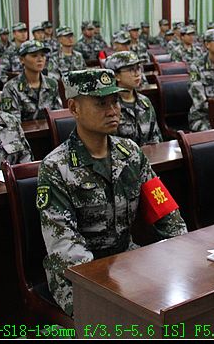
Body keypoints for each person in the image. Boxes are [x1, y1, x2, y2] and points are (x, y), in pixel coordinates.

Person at [38, 69, 187, 315]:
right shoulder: (56, 167)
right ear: (74, 108)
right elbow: (64, 245)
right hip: (77, 277)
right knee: (121, 318)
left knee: (178, 300)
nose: (113, 110)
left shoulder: (130, 153)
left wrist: (184, 254)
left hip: (127, 260)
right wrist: (108, 287)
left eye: (115, 101)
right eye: (101, 103)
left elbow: (164, 211)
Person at [106, 51, 162, 145]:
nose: (137, 74)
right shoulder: (110, 107)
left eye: (138, 68)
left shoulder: (145, 102)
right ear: (116, 76)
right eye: (131, 70)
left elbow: (156, 136)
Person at [0, 40, 63, 122]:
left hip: (49, 129)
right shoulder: (11, 88)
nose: (40, 59)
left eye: (43, 55)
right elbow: (11, 123)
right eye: (34, 56)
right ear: (22, 60)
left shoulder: (52, 84)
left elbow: (58, 117)